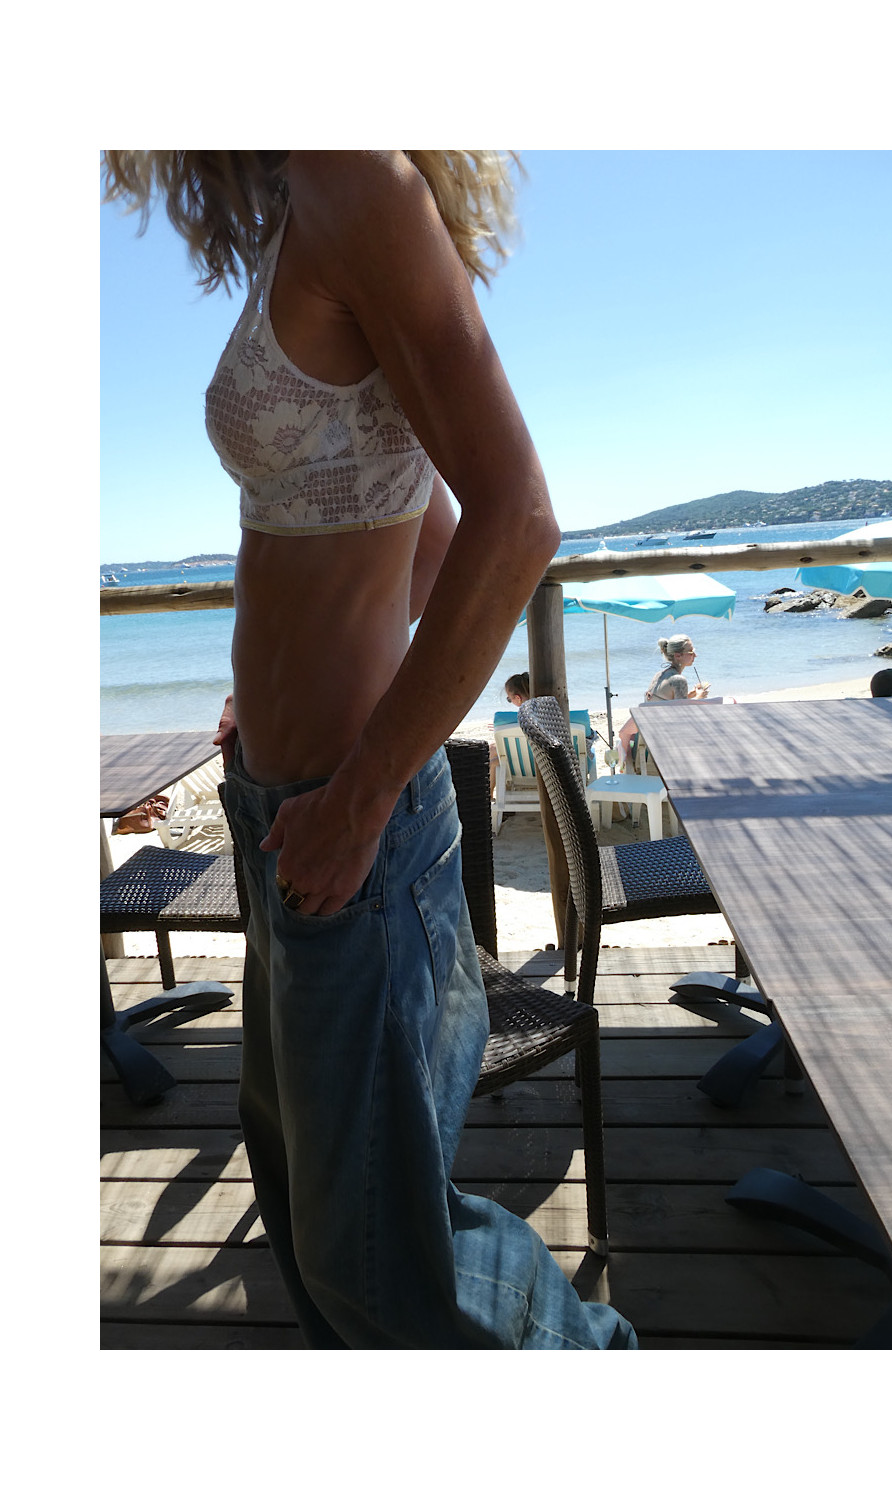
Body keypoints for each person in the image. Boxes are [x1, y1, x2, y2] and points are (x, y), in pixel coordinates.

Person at [102, 150, 636, 1351]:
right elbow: (427, 539)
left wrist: (363, 790)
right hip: (285, 805)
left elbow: (518, 521)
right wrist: (270, 694)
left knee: (385, 1263)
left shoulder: (355, 172)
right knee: (314, 1212)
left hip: (350, 824)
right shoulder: (309, 201)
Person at [614, 634, 710, 770]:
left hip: (646, 733)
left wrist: (692, 694)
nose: (695, 655)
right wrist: (699, 698)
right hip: (663, 739)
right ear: (678, 655)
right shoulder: (679, 680)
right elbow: (682, 713)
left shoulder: (660, 675)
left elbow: (667, 703)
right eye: (691, 652)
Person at [489, 672, 531, 797]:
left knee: (493, 755)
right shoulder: (547, 713)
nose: (510, 701)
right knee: (494, 753)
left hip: (525, 768)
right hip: (544, 763)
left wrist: (502, 726)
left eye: (509, 699)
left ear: (518, 698)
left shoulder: (521, 718)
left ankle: (489, 796)